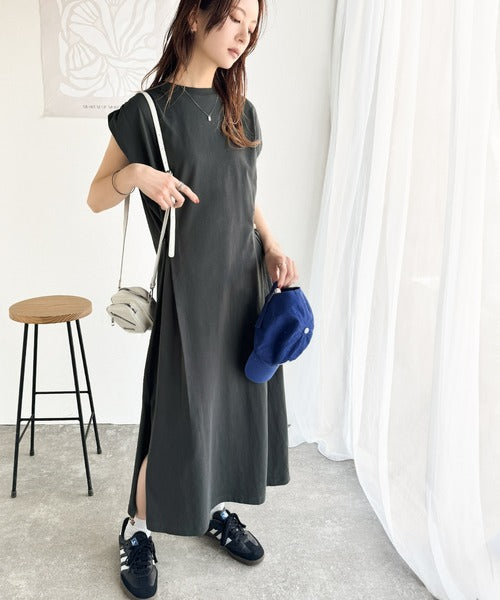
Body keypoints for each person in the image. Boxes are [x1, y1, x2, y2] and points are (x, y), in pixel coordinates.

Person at [87, 0, 297, 597]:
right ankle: (137, 527)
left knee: (230, 406)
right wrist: (138, 176)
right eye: (234, 19)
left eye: (251, 28)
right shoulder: (148, 112)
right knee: (179, 413)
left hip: (245, 284)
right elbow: (97, 196)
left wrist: (272, 244)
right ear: (196, 16)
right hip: (191, 293)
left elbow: (244, 192)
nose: (243, 36)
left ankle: (213, 508)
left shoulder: (241, 110)